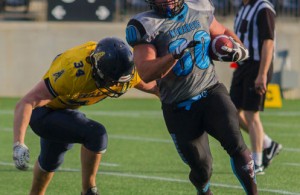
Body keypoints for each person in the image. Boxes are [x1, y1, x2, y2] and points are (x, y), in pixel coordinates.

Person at [125, 0, 258, 194]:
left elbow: (222, 32)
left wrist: (238, 48)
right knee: (202, 168)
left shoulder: (200, 7)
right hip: (178, 107)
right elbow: (145, 71)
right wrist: (174, 55)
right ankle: (204, 190)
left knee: (236, 144)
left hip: (211, 92)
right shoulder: (145, 24)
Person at [12, 37, 159, 195]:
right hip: (44, 112)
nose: (114, 85)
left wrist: (170, 96)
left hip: (66, 109)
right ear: (96, 67)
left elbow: (151, 86)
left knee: (50, 161)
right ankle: (89, 190)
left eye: (117, 81)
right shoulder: (72, 70)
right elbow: (27, 102)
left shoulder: (120, 72)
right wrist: (19, 144)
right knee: (96, 134)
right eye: (110, 80)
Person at [229, 0, 282, 175]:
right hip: (243, 65)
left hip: (258, 65)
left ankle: (257, 162)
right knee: (232, 112)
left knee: (252, 114)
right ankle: (267, 143)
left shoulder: (263, 8)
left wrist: (262, 73)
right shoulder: (244, 7)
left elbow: (268, 42)